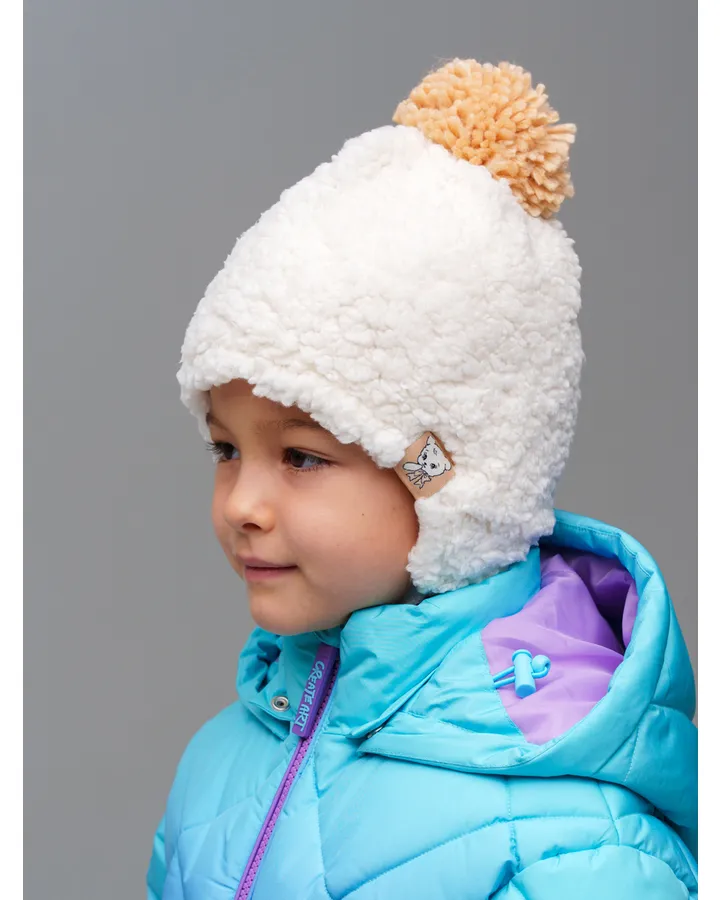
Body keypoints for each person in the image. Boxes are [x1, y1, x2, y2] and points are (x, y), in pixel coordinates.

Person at [146, 58, 698, 899]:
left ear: (447, 486)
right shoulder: (222, 763)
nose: (243, 505)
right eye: (227, 450)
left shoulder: (575, 848)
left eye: (302, 457)